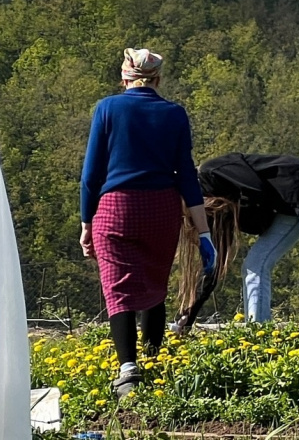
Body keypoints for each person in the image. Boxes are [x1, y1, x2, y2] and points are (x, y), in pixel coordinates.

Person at [79, 48, 217, 398]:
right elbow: (187, 175)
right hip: (161, 209)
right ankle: (155, 365)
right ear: (157, 79)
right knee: (155, 283)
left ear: (124, 77)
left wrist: (85, 222)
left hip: (116, 207)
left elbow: (91, 175)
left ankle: (128, 370)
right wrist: (203, 232)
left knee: (117, 285)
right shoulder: (174, 114)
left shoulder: (108, 108)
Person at [196, 153, 299, 345]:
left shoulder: (211, 171)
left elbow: (256, 189)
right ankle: (258, 339)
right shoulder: (213, 197)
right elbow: (214, 269)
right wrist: (187, 319)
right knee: (254, 265)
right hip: (289, 203)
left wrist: (249, 220)